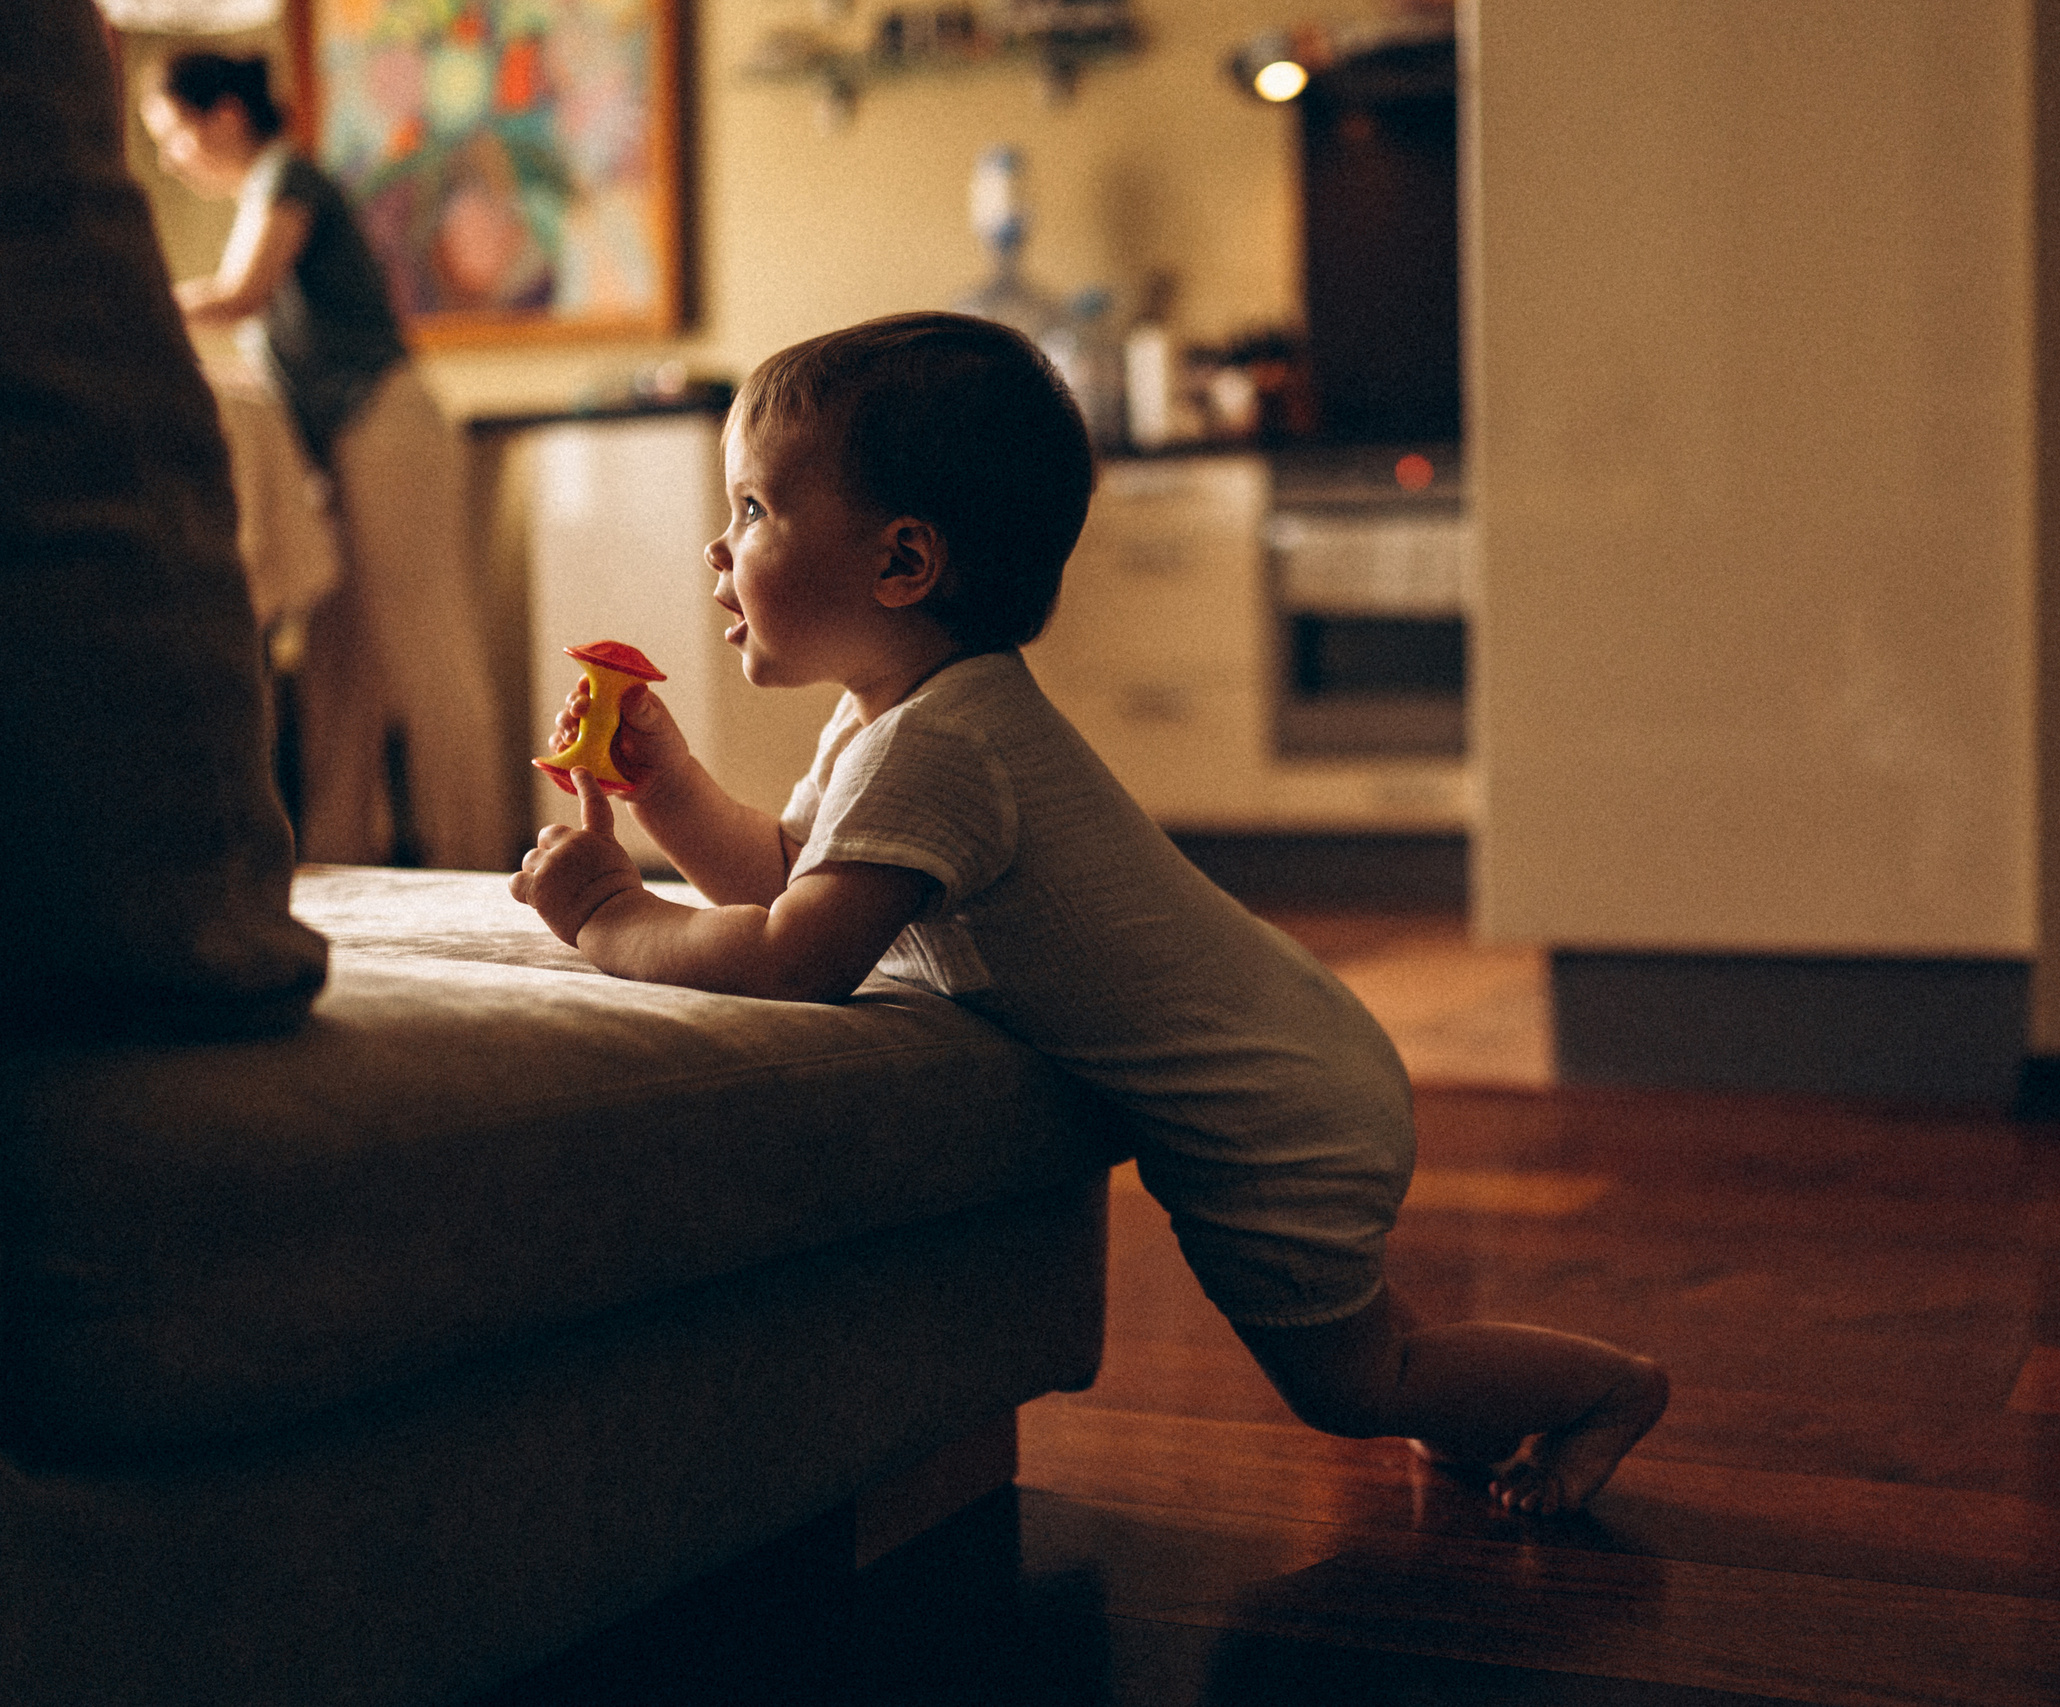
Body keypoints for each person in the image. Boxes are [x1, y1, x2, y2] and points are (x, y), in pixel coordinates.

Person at [509, 312, 1667, 1514]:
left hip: (1273, 1116)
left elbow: (802, 954)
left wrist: (609, 917)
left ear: (903, 565)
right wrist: (669, 786)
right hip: (1297, 1059)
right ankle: (1470, 1403)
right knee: (1377, 1358)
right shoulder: (892, 722)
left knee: (1353, 1386)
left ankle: (1602, 1391)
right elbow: (785, 876)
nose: (718, 545)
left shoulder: (942, 747)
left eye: (752, 511)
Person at [144, 52, 513, 870]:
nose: (171, 157)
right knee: (339, 668)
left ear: (226, 115)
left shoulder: (288, 178)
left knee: (428, 650)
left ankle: (482, 862)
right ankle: (342, 859)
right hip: (344, 441)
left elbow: (241, 293)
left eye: (173, 134)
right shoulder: (265, 190)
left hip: (387, 423)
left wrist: (131, 304)